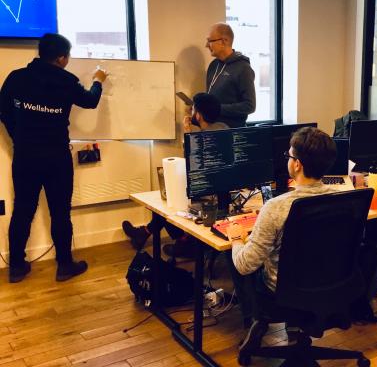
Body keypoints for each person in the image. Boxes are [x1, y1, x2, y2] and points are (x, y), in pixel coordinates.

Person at [0, 33, 108, 283]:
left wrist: (18, 135)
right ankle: (64, 266)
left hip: (25, 155)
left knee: (23, 210)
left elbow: (3, 110)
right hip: (56, 156)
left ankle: (16, 266)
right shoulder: (66, 81)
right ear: (61, 58)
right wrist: (98, 80)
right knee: (60, 212)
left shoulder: (17, 78)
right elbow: (91, 101)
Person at [222, 127, 337, 325]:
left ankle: (254, 324)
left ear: (298, 165)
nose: (288, 160)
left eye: (289, 155)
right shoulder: (339, 200)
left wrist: (235, 238)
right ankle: (294, 328)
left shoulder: (275, 207)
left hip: (281, 294)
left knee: (234, 253)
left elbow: (245, 265)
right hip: (329, 285)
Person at [121, 93, 229, 256]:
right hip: (221, 194)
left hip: (206, 195)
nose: (191, 112)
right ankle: (144, 233)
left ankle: (184, 241)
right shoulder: (224, 129)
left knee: (168, 204)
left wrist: (187, 132)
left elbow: (191, 164)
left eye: (193, 109)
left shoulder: (199, 139)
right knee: (169, 198)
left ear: (198, 115)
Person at [205, 22, 256, 128]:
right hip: (212, 130)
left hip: (231, 133)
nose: (206, 45)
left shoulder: (243, 68)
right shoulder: (213, 65)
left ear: (224, 41)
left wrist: (218, 108)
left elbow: (249, 106)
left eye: (210, 41)